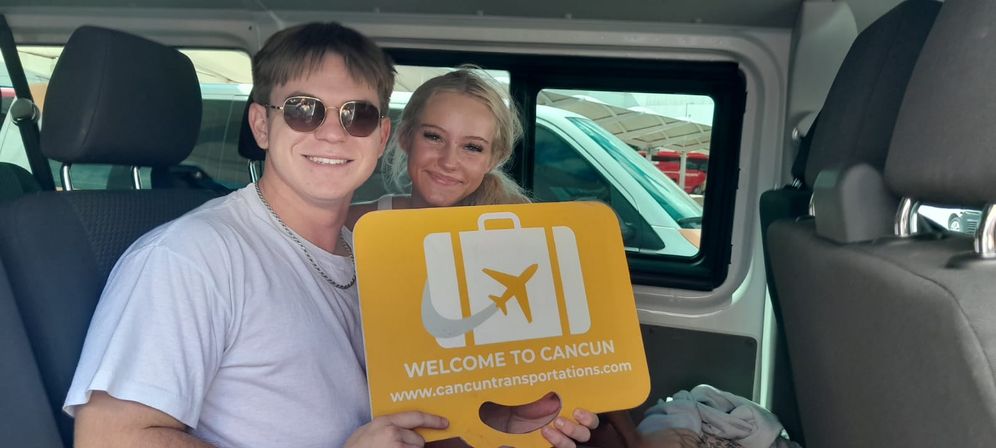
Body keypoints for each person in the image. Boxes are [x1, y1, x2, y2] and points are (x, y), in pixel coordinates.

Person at [64, 22, 450, 448]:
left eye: (356, 115)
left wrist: (502, 415)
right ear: (262, 125)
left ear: (380, 137)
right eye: (305, 110)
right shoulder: (191, 256)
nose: (332, 133)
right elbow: (110, 438)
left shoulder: (373, 256)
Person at [348, 67, 599, 447]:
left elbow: (531, 369)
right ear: (403, 137)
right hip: (372, 429)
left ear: (493, 157)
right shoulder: (353, 225)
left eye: (472, 147)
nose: (449, 161)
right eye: (434, 136)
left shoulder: (520, 238)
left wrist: (530, 417)